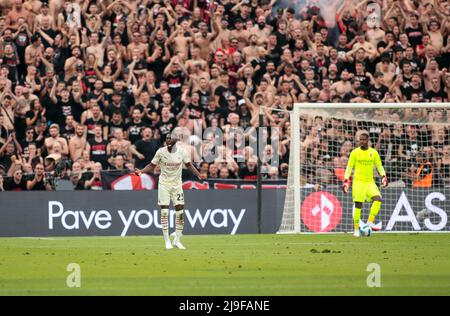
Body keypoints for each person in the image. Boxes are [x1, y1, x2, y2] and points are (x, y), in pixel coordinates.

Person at [134, 133, 205, 250]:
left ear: (176, 140)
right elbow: (152, 165)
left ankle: (177, 240)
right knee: (165, 212)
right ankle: (167, 240)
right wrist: (141, 171)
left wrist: (198, 174)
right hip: (164, 185)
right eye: (166, 138)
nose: (168, 140)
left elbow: (189, 164)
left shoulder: (182, 152)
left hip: (177, 185)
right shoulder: (161, 152)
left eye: (170, 138)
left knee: (180, 212)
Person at [342, 133, 388, 237]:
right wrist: (346, 181)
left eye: (363, 140)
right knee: (358, 205)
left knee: (378, 199)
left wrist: (384, 176)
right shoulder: (355, 153)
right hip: (358, 182)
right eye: (360, 140)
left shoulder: (374, 152)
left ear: (368, 140)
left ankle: (370, 222)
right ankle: (356, 230)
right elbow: (349, 168)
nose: (361, 141)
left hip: (370, 182)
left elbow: (379, 166)